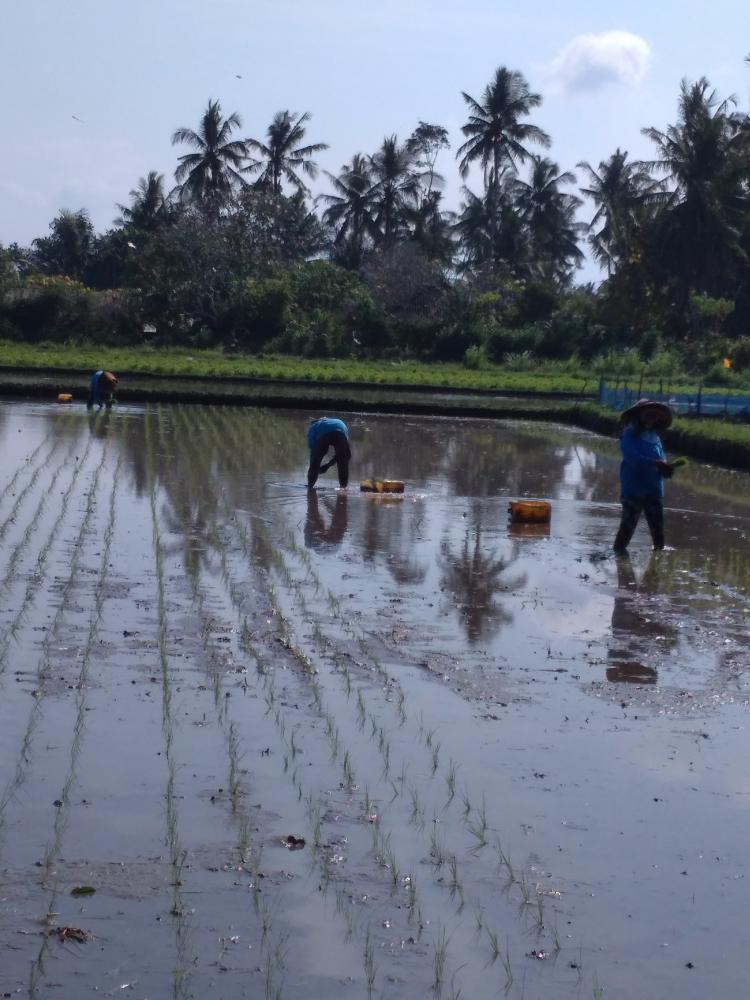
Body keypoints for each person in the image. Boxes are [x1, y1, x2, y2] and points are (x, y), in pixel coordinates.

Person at [613, 398, 673, 554]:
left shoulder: (655, 437)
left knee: (658, 532)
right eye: (649, 414)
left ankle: (657, 563)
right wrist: (656, 463)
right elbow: (632, 458)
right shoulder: (629, 434)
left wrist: (666, 468)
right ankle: (619, 559)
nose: (653, 418)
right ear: (639, 414)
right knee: (627, 529)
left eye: (656, 415)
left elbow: (661, 459)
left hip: (654, 490)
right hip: (634, 489)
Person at [307, 416, 351, 489]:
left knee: (315, 461)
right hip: (340, 431)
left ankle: (310, 486)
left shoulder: (313, 426)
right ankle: (343, 488)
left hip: (324, 436)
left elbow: (313, 450)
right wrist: (328, 465)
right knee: (343, 460)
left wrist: (315, 465)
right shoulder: (339, 422)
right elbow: (345, 454)